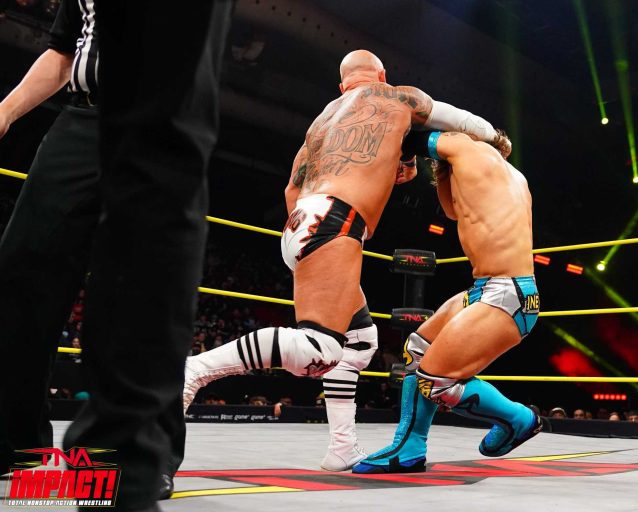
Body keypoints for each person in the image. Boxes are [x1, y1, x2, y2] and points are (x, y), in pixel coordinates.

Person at [183, 49, 510, 471]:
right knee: (318, 349)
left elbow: (291, 189)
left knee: (359, 342)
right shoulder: (398, 96)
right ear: (382, 75)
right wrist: (496, 144)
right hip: (334, 223)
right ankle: (195, 370)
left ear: (342, 87)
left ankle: (342, 447)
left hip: (301, 223)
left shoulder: (320, 124)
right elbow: (463, 122)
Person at [0, 0, 189, 499]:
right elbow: (63, 51)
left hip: (154, 125)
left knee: (139, 291)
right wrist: (5, 110)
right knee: (19, 270)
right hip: (78, 120)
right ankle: (16, 441)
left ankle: (141, 451)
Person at [55, 1, 232, 510]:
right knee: (27, 260)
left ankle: (125, 466)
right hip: (77, 111)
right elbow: (62, 48)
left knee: (159, 158)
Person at [353, 129, 541, 474]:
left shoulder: (470, 149)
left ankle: (519, 418)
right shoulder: (509, 175)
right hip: (488, 288)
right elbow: (453, 211)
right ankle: (409, 447)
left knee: (435, 380)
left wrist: (408, 159)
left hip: (506, 293)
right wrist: (440, 169)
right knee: (418, 349)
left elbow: (411, 133)